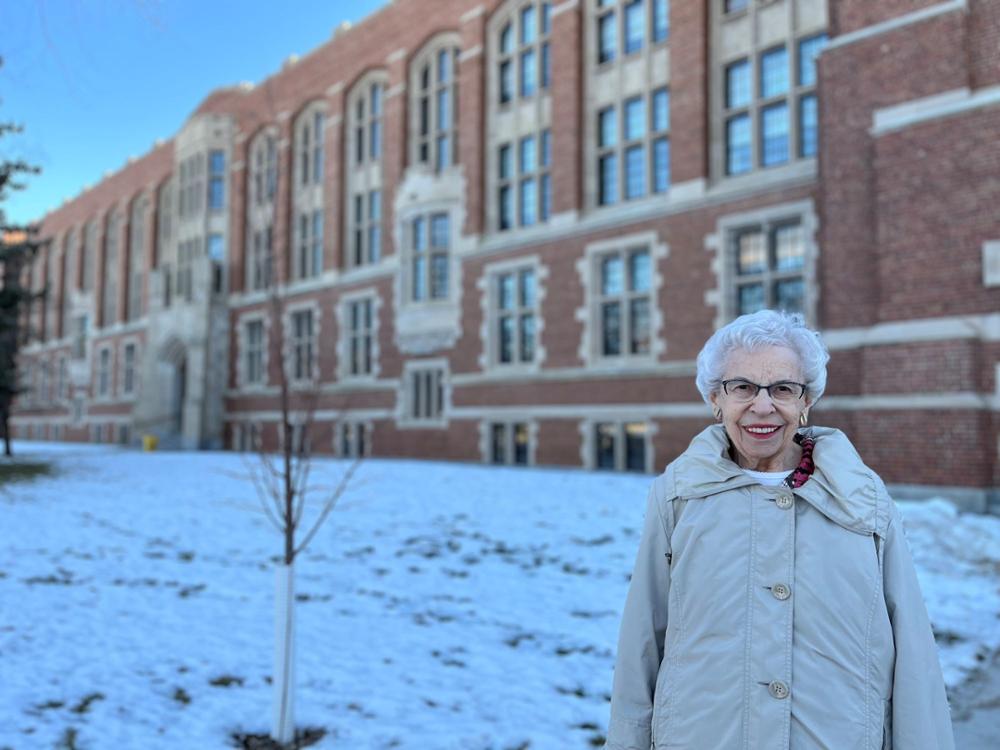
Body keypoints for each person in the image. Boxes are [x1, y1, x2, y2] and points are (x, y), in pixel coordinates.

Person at [605, 310, 954, 750]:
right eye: (742, 387)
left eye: (783, 388)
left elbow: (913, 649)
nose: (763, 405)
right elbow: (644, 636)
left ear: (806, 402)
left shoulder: (863, 500)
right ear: (716, 399)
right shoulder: (679, 496)